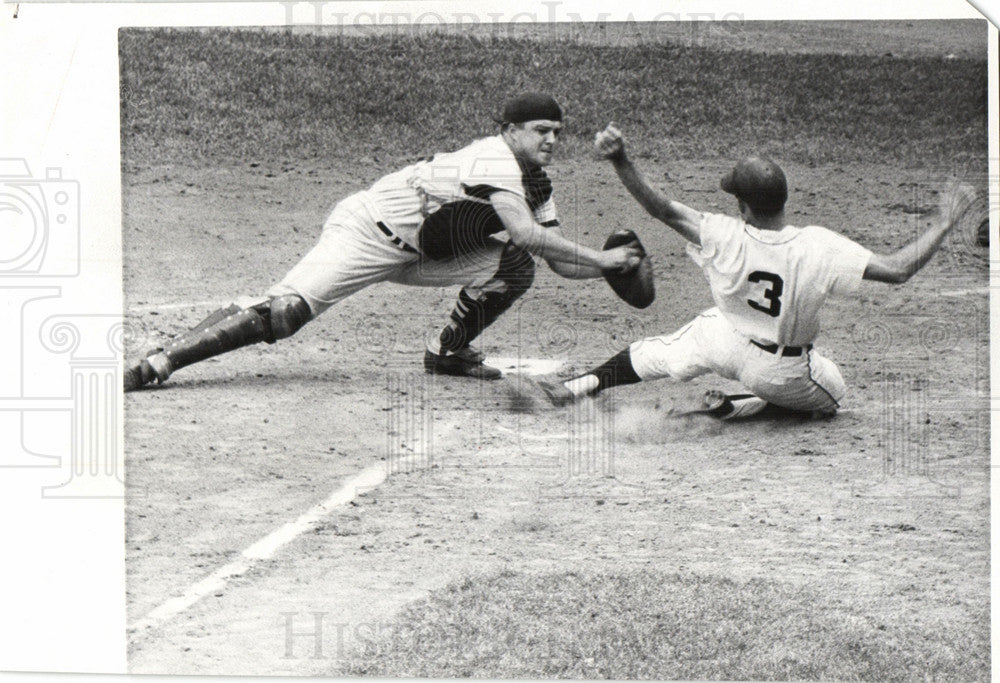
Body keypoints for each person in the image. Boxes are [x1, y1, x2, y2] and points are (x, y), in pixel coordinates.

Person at [124, 94, 642, 391]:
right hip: (367, 233)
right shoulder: (492, 159)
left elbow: (555, 262)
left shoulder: (537, 185)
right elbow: (528, 232)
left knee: (514, 268)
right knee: (285, 313)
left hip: (426, 253)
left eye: (557, 132)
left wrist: (611, 268)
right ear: (508, 130)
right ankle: (164, 361)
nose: (551, 140)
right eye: (540, 130)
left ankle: (447, 352)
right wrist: (605, 255)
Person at [538, 123, 977, 419]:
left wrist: (620, 160)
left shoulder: (722, 234)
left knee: (654, 352)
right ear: (783, 199)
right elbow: (899, 270)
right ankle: (744, 405)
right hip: (779, 372)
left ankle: (582, 384)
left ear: (742, 205)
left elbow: (661, 208)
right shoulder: (819, 245)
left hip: (722, 339)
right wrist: (944, 222)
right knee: (833, 396)